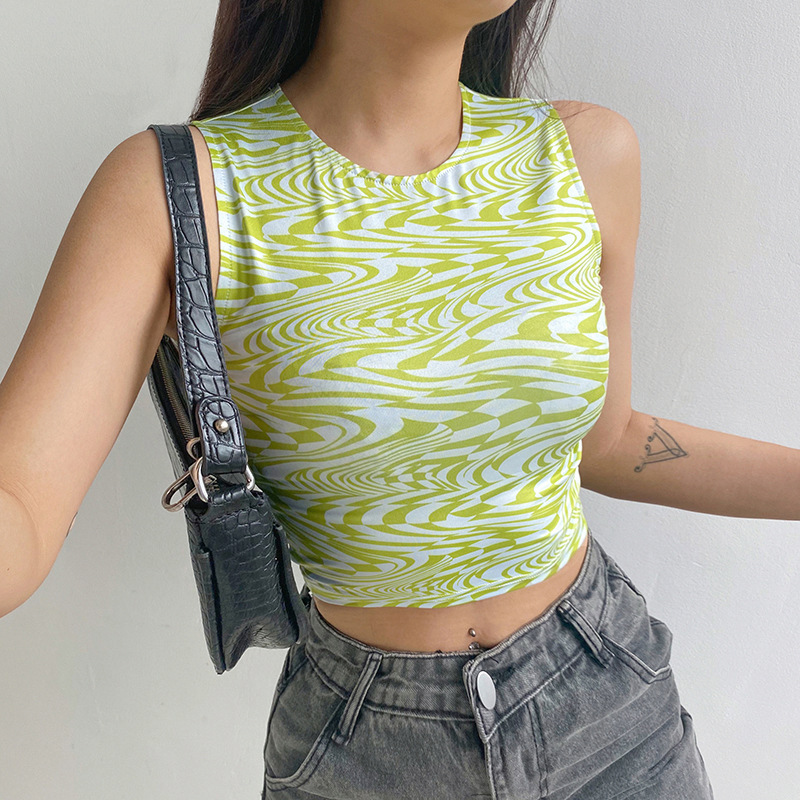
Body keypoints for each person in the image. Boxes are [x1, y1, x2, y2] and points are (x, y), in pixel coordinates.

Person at [2, 0, 796, 797]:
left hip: (609, 706)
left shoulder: (582, 154)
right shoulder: (178, 191)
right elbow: (22, 505)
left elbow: (608, 441)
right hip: (362, 749)